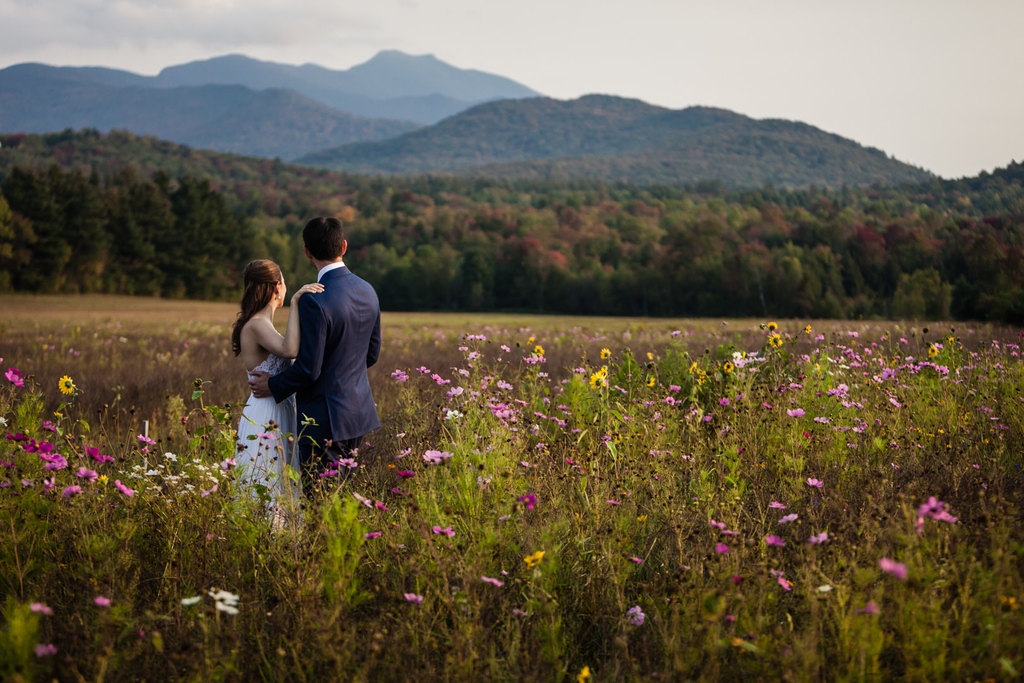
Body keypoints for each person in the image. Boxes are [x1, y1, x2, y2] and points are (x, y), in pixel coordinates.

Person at [249, 216, 382, 492]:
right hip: (358, 415)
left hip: (323, 422)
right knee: (342, 499)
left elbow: (309, 369)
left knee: (319, 503)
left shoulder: (314, 299)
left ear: (307, 251)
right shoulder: (368, 290)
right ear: (343, 246)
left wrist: (272, 385)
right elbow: (371, 354)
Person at [232, 259, 323, 512]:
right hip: (266, 413)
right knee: (267, 479)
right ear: (276, 287)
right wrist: (295, 303)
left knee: (281, 477)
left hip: (278, 406)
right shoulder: (258, 324)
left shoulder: (263, 323)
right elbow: (290, 349)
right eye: (283, 283)